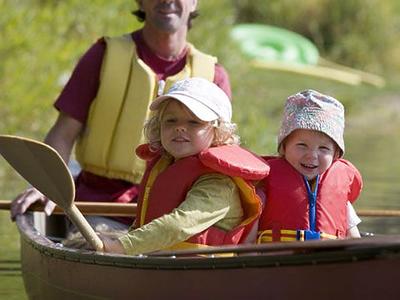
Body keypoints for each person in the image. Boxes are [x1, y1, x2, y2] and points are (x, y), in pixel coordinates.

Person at [10, 0, 231, 233]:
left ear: (194, 2)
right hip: (99, 208)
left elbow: (221, 157)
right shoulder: (103, 56)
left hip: (176, 216)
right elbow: (63, 134)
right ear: (140, 2)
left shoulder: (214, 76)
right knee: (102, 242)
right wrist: (46, 185)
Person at [100, 77, 269, 255]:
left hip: (201, 273)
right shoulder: (165, 166)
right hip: (161, 263)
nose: (180, 127)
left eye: (194, 122)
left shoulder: (219, 182)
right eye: (171, 121)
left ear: (219, 131)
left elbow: (179, 225)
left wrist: (123, 247)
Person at [257, 89, 363, 243]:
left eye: (323, 149)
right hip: (276, 261)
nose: (312, 155)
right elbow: (249, 233)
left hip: (326, 263)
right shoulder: (265, 186)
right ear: (284, 147)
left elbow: (355, 239)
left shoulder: (339, 191)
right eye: (302, 145)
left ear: (336, 155)